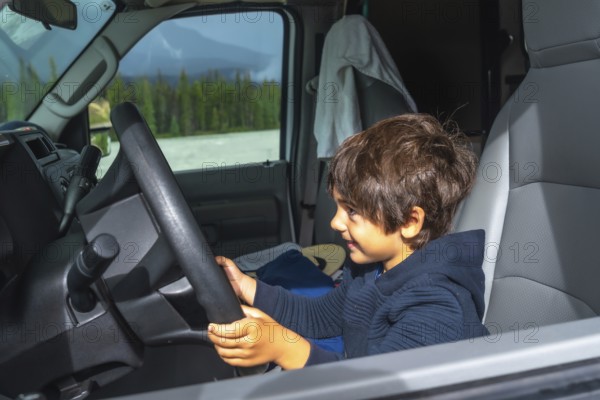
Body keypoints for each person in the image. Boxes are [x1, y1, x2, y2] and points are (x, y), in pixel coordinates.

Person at [207, 113, 487, 370]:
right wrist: (246, 286)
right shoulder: (371, 269)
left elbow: (378, 389)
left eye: (352, 211)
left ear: (409, 222)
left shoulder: (435, 307)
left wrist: (287, 350)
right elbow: (320, 316)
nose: (336, 222)